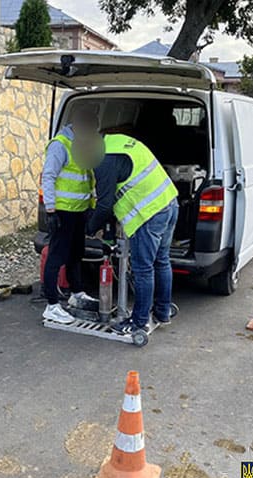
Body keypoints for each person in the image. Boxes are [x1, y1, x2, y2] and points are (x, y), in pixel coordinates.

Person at [73, 115, 179, 336]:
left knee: (143, 269)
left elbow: (104, 205)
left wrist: (89, 229)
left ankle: (139, 322)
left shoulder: (104, 160)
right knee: (162, 260)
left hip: (148, 214)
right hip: (169, 201)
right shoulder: (116, 140)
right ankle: (162, 312)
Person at [41, 108, 100, 324]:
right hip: (62, 211)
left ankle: (77, 294)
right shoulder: (60, 145)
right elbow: (48, 176)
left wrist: (92, 205)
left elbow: (88, 177)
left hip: (79, 210)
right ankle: (52, 305)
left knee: (76, 254)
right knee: (56, 257)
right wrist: (50, 210)